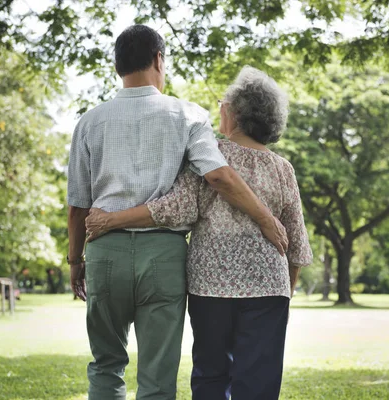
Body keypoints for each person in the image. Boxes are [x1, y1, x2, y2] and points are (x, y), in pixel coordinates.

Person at [67, 26, 288, 400]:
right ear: (158, 59)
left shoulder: (89, 122)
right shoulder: (187, 114)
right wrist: (267, 219)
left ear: (118, 65)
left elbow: (78, 206)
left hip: (105, 251)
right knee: (157, 375)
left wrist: (76, 261)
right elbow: (218, 176)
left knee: (105, 365)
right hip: (164, 256)